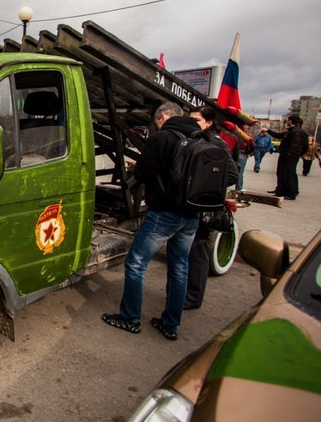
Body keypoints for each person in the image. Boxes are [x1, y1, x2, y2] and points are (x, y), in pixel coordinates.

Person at [102, 102, 201, 341]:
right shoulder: (201, 138)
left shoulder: (163, 138)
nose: (156, 126)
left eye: (156, 122)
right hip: (191, 215)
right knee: (179, 268)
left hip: (165, 214)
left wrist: (144, 168)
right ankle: (170, 325)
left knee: (135, 263)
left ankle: (130, 318)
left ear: (164, 116)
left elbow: (143, 174)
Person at [184, 106, 239, 310]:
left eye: (197, 120)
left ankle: (193, 297)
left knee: (198, 249)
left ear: (208, 122)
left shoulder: (213, 142)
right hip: (192, 203)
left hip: (202, 204)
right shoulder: (196, 138)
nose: (193, 123)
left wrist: (201, 186)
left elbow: (232, 174)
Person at [267, 115, 309, 200]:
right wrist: (268, 131)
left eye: (288, 120)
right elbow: (278, 135)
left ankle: (290, 193)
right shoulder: (291, 131)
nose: (287, 122)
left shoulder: (296, 132)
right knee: (282, 173)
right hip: (287, 156)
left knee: (289, 174)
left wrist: (289, 154)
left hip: (289, 157)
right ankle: (281, 191)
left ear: (291, 121)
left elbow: (295, 145)